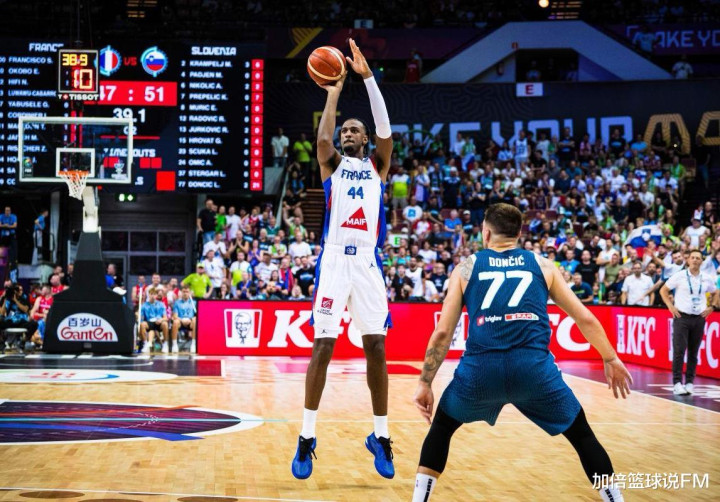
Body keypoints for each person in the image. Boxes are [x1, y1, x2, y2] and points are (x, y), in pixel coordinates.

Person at [411, 203, 633, 502]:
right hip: (534, 372)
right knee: (582, 435)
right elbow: (585, 318)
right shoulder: (543, 266)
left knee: (441, 428)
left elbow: (442, 333)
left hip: (480, 373)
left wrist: (425, 382)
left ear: (485, 233)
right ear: (518, 234)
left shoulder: (466, 268)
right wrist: (610, 357)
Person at [292, 39, 394, 480]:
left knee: (377, 347)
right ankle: (306, 437)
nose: (348, 134)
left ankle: (381, 436)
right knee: (323, 346)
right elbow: (322, 138)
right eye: (345, 130)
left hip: (367, 263)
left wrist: (367, 79)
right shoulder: (331, 164)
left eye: (355, 130)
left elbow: (386, 129)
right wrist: (334, 91)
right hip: (334, 261)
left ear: (365, 139)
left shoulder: (378, 166)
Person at [660, 250, 718, 395]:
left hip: (699, 318)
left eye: (698, 258)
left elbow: (716, 291)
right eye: (693, 258)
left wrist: (712, 307)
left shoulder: (707, 278)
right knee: (679, 351)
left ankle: (690, 382)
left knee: (694, 351)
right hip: (682, 317)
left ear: (702, 261)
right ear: (688, 260)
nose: (695, 260)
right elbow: (663, 290)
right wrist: (670, 306)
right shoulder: (680, 276)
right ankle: (677, 383)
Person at [172, 285, 197, 353]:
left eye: (187, 292)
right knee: (175, 322)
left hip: (190, 321)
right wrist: (182, 320)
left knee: (195, 321)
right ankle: (174, 345)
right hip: (180, 321)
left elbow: (197, 315)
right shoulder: (177, 302)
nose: (185, 293)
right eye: (184, 292)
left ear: (189, 293)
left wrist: (190, 319)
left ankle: (193, 344)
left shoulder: (194, 303)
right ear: (181, 292)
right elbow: (175, 316)